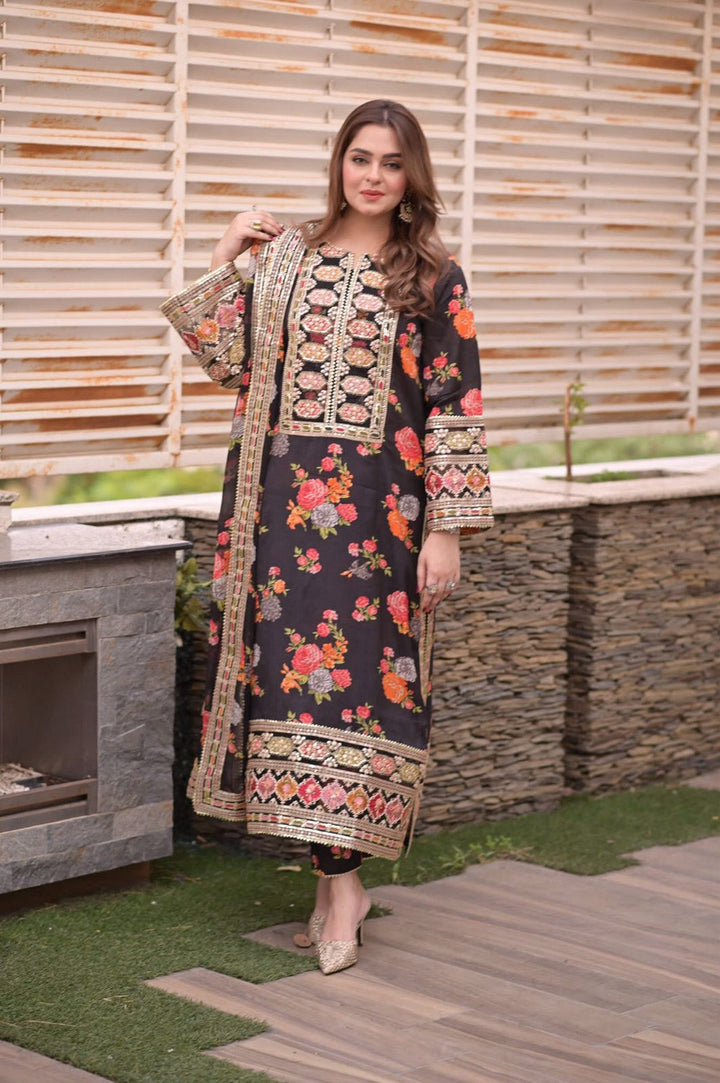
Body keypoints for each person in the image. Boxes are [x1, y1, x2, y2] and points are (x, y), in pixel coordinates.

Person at [161, 99, 493, 975]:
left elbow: (456, 405)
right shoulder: (288, 258)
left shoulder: (433, 277)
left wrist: (447, 530)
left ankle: (342, 886)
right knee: (290, 691)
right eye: (360, 157)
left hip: (380, 526)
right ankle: (336, 885)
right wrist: (225, 257)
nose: (373, 176)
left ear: (411, 176)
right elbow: (230, 362)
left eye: (391, 162)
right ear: (339, 163)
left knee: (360, 694)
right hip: (278, 521)